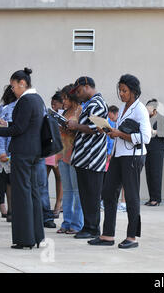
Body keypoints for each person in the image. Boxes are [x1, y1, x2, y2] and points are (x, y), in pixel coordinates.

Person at [89, 74, 151, 249]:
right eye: (120, 90)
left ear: (134, 91)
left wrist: (120, 134)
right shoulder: (123, 107)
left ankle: (132, 237)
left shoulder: (140, 110)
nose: (121, 94)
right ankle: (107, 235)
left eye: (124, 90)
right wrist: (109, 130)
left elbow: (145, 137)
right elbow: (121, 132)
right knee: (108, 192)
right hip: (118, 154)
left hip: (133, 156)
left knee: (131, 196)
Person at [0, 67, 45, 249]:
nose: (12, 90)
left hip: (22, 152)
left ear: (22, 84)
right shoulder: (37, 99)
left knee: (21, 194)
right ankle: (37, 236)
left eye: (14, 86)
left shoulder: (25, 101)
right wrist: (6, 123)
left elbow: (19, 129)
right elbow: (25, 124)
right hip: (34, 152)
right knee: (33, 193)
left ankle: (25, 239)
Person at [66, 76, 108, 239]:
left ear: (87, 86)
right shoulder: (90, 104)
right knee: (86, 195)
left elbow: (98, 128)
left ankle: (92, 228)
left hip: (92, 158)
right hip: (85, 158)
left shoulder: (97, 103)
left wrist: (76, 126)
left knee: (91, 195)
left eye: (78, 90)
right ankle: (88, 226)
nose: (77, 94)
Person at [56, 84, 84, 234]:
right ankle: (66, 222)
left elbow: (83, 130)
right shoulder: (65, 112)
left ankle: (77, 224)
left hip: (75, 155)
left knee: (77, 191)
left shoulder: (81, 110)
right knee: (66, 191)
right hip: (63, 153)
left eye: (65, 98)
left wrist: (73, 127)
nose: (63, 101)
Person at [0, 85, 17, 221]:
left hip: (9, 149)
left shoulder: (13, 108)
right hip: (7, 149)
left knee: (9, 181)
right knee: (6, 179)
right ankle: (10, 210)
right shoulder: (3, 110)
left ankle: (11, 211)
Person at [145, 99, 164, 206]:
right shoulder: (145, 119)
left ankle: (156, 199)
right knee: (149, 174)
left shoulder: (162, 119)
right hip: (147, 149)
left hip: (157, 149)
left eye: (149, 108)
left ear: (154, 109)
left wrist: (154, 131)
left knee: (156, 174)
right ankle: (151, 197)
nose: (147, 110)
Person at [46, 91, 63, 218]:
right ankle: (44, 205)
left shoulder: (65, 115)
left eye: (55, 103)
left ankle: (58, 204)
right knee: (43, 178)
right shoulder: (50, 115)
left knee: (59, 177)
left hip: (59, 149)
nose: (53, 106)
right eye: (52, 104)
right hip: (49, 148)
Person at [106, 105, 127, 212]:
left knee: (124, 180)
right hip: (114, 154)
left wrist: (109, 153)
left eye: (111, 117)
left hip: (121, 154)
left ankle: (123, 202)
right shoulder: (112, 123)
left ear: (116, 114)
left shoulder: (120, 122)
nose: (110, 119)